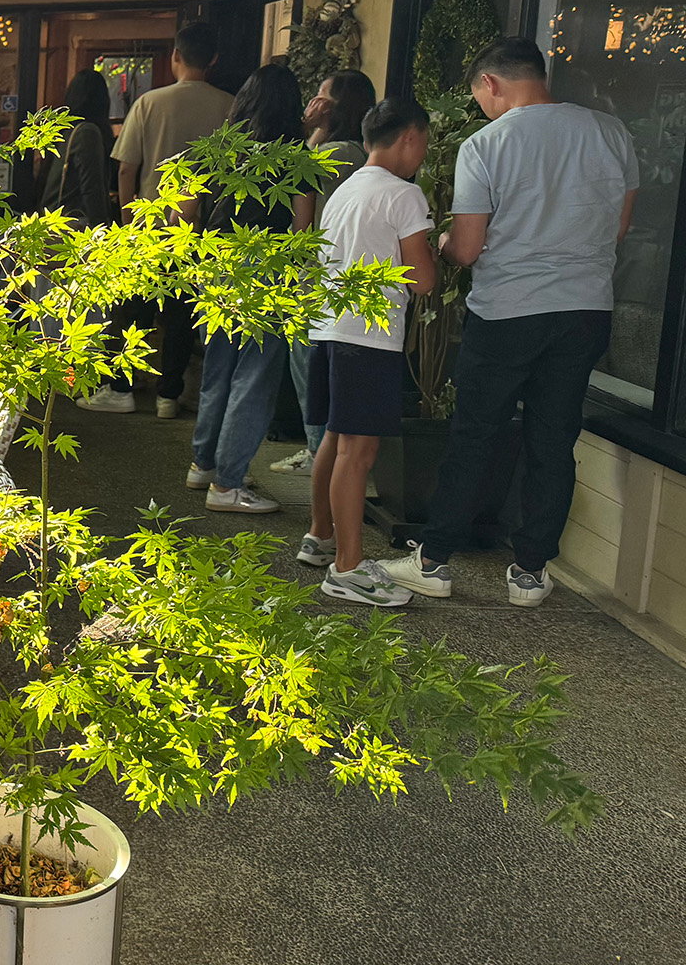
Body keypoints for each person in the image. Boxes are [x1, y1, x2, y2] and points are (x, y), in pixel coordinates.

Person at [379, 38, 638, 608]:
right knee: (554, 436)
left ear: (491, 84)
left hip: (508, 312)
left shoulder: (486, 144)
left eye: (479, 98)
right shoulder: (610, 132)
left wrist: (443, 242)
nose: (481, 109)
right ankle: (529, 571)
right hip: (585, 309)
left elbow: (467, 249)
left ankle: (435, 560)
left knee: (476, 433)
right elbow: (618, 228)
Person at [301, 98, 437, 606]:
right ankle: (349, 569)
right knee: (359, 451)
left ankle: (321, 537)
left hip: (330, 326)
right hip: (369, 334)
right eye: (423, 143)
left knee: (336, 439)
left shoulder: (345, 190)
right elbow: (422, 280)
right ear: (409, 136)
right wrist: (438, 248)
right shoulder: (403, 195)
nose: (423, 154)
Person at [80, 20, 233, 417]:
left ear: (175, 56)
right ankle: (169, 394)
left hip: (150, 224)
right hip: (201, 229)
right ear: (213, 60)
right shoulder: (229, 106)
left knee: (136, 312)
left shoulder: (149, 103)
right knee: (183, 314)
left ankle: (123, 389)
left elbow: (127, 169)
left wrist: (131, 217)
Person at [187, 64, 306, 514]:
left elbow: (182, 213)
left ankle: (204, 465)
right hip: (269, 267)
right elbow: (302, 226)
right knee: (253, 378)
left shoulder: (215, 149)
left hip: (216, 264)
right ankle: (229, 482)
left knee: (218, 369)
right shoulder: (295, 154)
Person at [273, 69, 379, 476]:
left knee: (308, 368)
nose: (314, 101)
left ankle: (318, 453)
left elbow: (298, 191)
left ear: (336, 105)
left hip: (316, 274)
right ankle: (323, 453)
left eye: (321, 95)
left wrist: (307, 128)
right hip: (348, 277)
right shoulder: (359, 152)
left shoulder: (334, 154)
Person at [40, 68, 115, 230]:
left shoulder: (63, 132)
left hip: (53, 223)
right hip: (74, 226)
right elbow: (91, 186)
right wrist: (102, 229)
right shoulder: (87, 132)